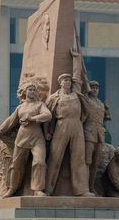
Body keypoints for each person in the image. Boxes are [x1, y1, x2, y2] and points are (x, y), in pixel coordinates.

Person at [0, 78, 52, 198]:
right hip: (22, 138)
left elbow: (48, 115)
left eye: (34, 90)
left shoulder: (40, 105)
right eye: (30, 89)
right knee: (16, 164)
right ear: (25, 92)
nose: (32, 92)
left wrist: (32, 119)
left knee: (39, 162)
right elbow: (10, 121)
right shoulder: (20, 108)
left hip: (37, 137)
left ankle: (38, 190)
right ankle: (12, 188)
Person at [45, 49, 93, 196]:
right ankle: (47, 189)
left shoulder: (76, 93)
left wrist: (76, 58)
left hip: (76, 126)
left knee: (79, 158)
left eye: (68, 80)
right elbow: (47, 116)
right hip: (61, 125)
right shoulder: (54, 97)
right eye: (65, 80)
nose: (67, 82)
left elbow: (77, 74)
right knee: (55, 157)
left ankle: (82, 190)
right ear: (60, 83)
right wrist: (47, 131)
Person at [83, 80, 111, 194]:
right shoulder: (86, 100)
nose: (95, 90)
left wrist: (107, 110)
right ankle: (84, 186)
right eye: (92, 87)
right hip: (88, 132)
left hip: (99, 134)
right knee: (87, 161)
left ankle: (91, 186)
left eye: (97, 88)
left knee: (96, 162)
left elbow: (105, 119)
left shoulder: (101, 103)